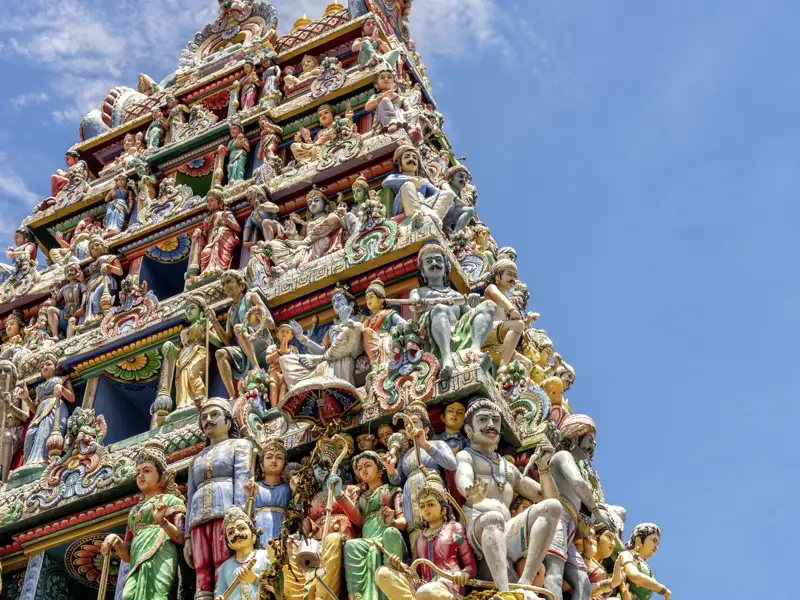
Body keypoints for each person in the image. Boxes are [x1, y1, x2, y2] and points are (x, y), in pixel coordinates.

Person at [455, 399, 561, 593]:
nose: (490, 425)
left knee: (552, 507)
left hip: (506, 528)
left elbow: (547, 497)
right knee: (492, 518)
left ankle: (525, 582)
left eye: (495, 420)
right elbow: (463, 477)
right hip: (477, 526)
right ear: (469, 429)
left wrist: (544, 467)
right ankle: (505, 593)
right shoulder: (466, 456)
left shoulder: (508, 469)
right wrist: (470, 491)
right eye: (483, 420)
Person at [184, 398, 252, 598]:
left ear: (229, 421)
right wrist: (187, 535)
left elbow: (242, 480)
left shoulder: (239, 445)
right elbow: (190, 495)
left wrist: (239, 516)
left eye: (214, 415)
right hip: (198, 517)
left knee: (223, 560)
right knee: (201, 564)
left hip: (227, 514)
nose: (208, 420)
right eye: (204, 417)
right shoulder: (195, 459)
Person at [101, 441, 186, 600]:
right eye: (138, 472)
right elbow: (127, 555)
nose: (141, 476)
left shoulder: (170, 501)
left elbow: (182, 537)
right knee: (127, 596)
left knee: (157, 595)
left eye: (147, 471)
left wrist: (163, 522)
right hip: (137, 560)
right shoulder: (134, 511)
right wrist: (117, 542)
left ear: (162, 476)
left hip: (161, 555)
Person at [544, 414, 616, 600]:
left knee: (583, 583)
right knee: (554, 573)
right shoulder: (563, 456)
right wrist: (595, 510)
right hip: (557, 520)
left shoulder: (573, 462)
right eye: (590, 440)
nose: (593, 447)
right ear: (575, 437)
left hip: (570, 527)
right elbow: (577, 483)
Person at [375, 480, 477, 600]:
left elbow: (470, 565)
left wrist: (464, 573)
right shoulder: (420, 538)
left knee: (426, 591)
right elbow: (414, 572)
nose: (425, 509)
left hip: (447, 586)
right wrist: (399, 566)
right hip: (423, 587)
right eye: (422, 506)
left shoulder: (454, 530)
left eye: (430, 504)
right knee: (382, 574)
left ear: (443, 510)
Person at [409, 243, 496, 379]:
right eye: (429, 261)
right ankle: (446, 359)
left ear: (445, 268)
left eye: (438, 260)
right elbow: (413, 305)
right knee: (440, 308)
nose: (434, 264)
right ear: (423, 271)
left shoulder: (456, 295)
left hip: (456, 331)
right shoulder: (419, 291)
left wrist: (473, 302)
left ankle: (475, 349)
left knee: (489, 305)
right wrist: (418, 304)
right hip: (431, 336)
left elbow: (471, 314)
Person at [383, 401, 456, 541]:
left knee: (440, 534)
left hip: (432, 489)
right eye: (406, 425)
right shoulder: (405, 454)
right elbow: (397, 481)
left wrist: (425, 445)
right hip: (411, 498)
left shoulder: (437, 444)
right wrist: (390, 469)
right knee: (416, 537)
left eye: (414, 422)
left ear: (426, 429)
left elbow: (451, 465)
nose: (409, 426)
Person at [342, 451, 407, 600]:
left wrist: (392, 522)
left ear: (379, 470)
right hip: (367, 539)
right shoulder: (361, 497)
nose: (363, 470)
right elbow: (358, 519)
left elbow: (403, 523)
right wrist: (340, 494)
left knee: (391, 533)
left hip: (385, 535)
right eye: (359, 468)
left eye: (368, 465)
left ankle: (390, 591)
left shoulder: (392, 490)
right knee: (351, 545)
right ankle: (357, 596)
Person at [207, 270, 275, 398]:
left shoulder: (251, 297)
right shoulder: (231, 311)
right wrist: (214, 321)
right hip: (243, 347)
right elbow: (228, 341)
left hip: (259, 339)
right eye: (223, 284)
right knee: (220, 354)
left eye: (228, 281)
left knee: (239, 328)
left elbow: (271, 324)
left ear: (241, 285)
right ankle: (232, 396)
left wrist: (259, 316)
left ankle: (255, 367)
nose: (225, 286)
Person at [15, 353, 75, 466]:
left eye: (48, 364)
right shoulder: (40, 387)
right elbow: (35, 408)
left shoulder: (61, 379)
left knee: (45, 432)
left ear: (55, 367)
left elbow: (71, 398)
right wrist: (26, 399)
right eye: (42, 366)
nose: (44, 367)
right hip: (40, 412)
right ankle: (29, 463)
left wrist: (61, 388)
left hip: (55, 407)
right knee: (30, 435)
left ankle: (43, 461)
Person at [382, 145, 454, 230]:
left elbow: (439, 194)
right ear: (400, 164)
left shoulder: (422, 181)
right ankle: (418, 218)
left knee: (448, 194)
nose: (411, 159)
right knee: (408, 185)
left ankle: (433, 221)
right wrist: (410, 179)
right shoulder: (397, 176)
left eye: (414, 158)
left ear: (417, 166)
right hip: (404, 206)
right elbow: (386, 183)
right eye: (407, 157)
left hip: (424, 204)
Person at [244, 438, 292, 547]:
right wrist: (250, 497)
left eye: (279, 458)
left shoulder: (288, 488)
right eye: (269, 457)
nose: (274, 461)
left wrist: (297, 492)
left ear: (285, 465)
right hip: (259, 530)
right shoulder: (254, 487)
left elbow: (296, 513)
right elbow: (247, 516)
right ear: (261, 465)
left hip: (281, 530)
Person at [215, 506, 271, 600]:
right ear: (229, 545)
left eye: (241, 528)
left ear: (253, 536)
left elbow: (278, 588)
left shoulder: (266, 556)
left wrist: (254, 579)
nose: (236, 533)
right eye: (230, 532)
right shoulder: (224, 568)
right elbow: (220, 594)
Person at [618, 524, 670, 600]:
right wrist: (663, 590)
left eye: (657, 544)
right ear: (639, 540)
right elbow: (634, 575)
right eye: (653, 540)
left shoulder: (649, 570)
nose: (656, 547)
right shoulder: (627, 555)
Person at [44, 263, 85, 339]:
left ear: (77, 272)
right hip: (66, 313)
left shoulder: (80, 285)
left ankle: (69, 340)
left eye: (71, 270)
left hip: (77, 313)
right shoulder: (64, 288)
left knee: (72, 320)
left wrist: (82, 307)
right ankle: (55, 335)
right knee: (50, 309)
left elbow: (85, 294)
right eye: (67, 272)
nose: (69, 273)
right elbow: (56, 301)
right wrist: (53, 290)